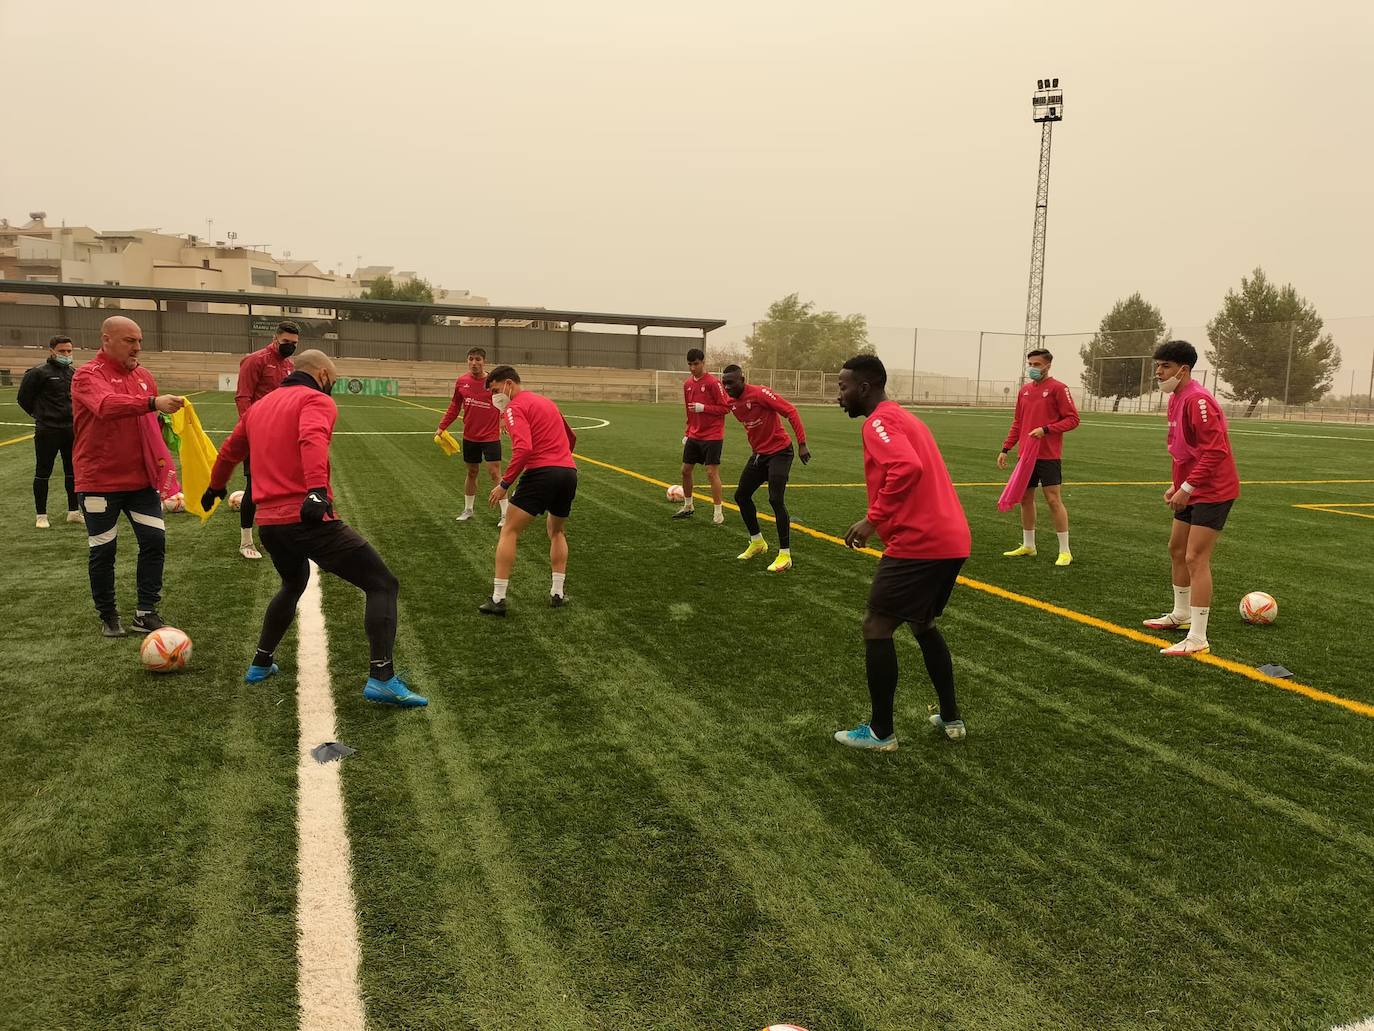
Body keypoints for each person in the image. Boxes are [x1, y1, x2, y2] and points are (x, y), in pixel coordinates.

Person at [202, 349, 427, 707]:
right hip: (305, 517)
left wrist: (215, 487)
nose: (332, 386)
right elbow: (312, 439)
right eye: (333, 381)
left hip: (270, 525)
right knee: (382, 583)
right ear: (322, 374)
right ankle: (382, 677)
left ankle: (261, 662)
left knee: (293, 583)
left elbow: (230, 450)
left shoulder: (260, 406)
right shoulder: (315, 400)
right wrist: (317, 491)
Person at [832, 355, 972, 749]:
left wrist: (872, 519)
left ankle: (880, 732)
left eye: (843, 388)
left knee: (876, 625)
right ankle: (950, 716)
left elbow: (906, 467)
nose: (838, 397)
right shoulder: (906, 418)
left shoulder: (879, 422)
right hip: (952, 538)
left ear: (864, 387)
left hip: (920, 542)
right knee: (922, 623)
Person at [71, 316, 185, 638]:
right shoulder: (86, 376)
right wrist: (152, 403)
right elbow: (106, 406)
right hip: (99, 482)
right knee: (104, 549)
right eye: (129, 341)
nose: (137, 347)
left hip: (141, 482)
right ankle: (108, 616)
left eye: (139, 341)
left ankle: (145, 613)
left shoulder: (145, 376)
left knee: (154, 541)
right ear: (106, 340)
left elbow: (146, 423)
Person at [1141, 339, 1240, 657]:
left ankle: (1198, 637)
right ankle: (1181, 614)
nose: (1158, 371)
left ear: (1183, 369)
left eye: (1165, 366)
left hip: (1214, 490)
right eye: (1157, 365)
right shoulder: (1175, 398)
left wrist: (1188, 488)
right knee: (1176, 549)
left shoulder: (1198, 400)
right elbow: (1183, 452)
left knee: (1196, 558)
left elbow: (1215, 452)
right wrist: (1177, 485)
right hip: (1193, 487)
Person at [478, 366, 577, 615]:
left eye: (496, 391)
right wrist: (560, 459)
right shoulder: (546, 402)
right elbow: (571, 437)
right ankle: (557, 593)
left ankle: (498, 598)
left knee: (509, 530)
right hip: (568, 473)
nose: (495, 398)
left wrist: (504, 484)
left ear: (509, 384)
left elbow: (524, 450)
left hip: (542, 473)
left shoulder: (515, 407)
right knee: (556, 531)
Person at [721, 365, 809, 573]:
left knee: (775, 499)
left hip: (780, 452)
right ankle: (757, 542)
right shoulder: (730, 401)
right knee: (741, 496)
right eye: (724, 383)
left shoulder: (760, 393)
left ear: (742, 379)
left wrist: (802, 444)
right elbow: (718, 408)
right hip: (760, 455)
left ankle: (785, 555)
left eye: (731, 382)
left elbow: (791, 411)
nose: (727, 387)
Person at [997, 348, 1080, 566]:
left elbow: (1072, 419)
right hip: (1026, 455)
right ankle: (1029, 545)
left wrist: (1046, 429)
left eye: (1037, 364)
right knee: (1025, 498)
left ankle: (1064, 550)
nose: (1032, 368)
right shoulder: (1024, 391)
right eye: (1030, 364)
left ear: (1048, 365)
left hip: (1048, 455)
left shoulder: (1058, 388)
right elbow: (1018, 422)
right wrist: (1006, 448)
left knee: (1053, 499)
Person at [234, 321, 299, 560]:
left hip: (282, 435)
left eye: (294, 344)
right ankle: (246, 541)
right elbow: (243, 397)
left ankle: (279, 535)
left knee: (284, 487)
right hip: (257, 434)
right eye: (286, 343)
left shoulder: (290, 365)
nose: (289, 347)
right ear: (275, 339)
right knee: (254, 488)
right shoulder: (255, 360)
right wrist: (252, 430)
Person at [436, 346, 507, 526]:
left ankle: (505, 514)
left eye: (478, 359)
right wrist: (442, 426)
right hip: (470, 436)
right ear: (467, 360)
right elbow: (454, 407)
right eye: (471, 359)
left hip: (490, 436)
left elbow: (506, 404)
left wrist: (503, 420)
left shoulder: (493, 382)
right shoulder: (461, 382)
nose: (474, 363)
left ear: (484, 361)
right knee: (472, 471)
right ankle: (468, 509)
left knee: (494, 473)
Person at [18, 335, 81, 529]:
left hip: (70, 429)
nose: (66, 354)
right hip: (48, 430)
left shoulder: (73, 372)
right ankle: (41, 515)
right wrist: (42, 416)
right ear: (51, 351)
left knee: (73, 472)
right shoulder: (38, 373)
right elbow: (23, 399)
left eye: (69, 351)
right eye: (62, 351)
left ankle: (73, 511)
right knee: (43, 471)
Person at [673, 347, 729, 524]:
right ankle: (688, 506)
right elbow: (689, 411)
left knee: (711, 473)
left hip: (712, 435)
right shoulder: (688, 384)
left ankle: (718, 511)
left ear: (703, 362)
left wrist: (704, 408)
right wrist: (687, 432)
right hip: (695, 435)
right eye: (689, 364)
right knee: (685, 470)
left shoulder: (713, 383)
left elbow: (726, 408)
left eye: (695, 364)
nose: (692, 368)